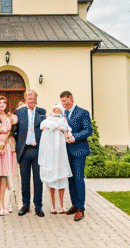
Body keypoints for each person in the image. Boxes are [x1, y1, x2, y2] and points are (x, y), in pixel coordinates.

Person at [61, 90, 92, 222]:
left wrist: (75, 137)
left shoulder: (83, 112)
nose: (64, 104)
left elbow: (88, 130)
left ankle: (80, 209)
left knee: (78, 178)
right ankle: (74, 204)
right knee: (71, 179)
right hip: (66, 151)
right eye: (62, 102)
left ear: (72, 99)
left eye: (66, 102)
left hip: (79, 150)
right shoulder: (63, 114)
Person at [14, 90, 46, 217]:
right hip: (24, 150)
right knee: (25, 179)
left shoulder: (42, 112)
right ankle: (25, 204)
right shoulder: (19, 112)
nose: (31, 101)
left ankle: (38, 206)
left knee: (38, 180)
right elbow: (15, 131)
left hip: (38, 150)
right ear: (25, 99)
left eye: (33, 98)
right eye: (29, 98)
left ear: (36, 99)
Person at [39, 104, 73, 214]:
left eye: (59, 110)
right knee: (51, 179)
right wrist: (52, 125)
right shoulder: (47, 120)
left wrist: (63, 128)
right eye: (55, 109)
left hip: (61, 153)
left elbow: (67, 129)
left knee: (62, 179)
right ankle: (53, 206)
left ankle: (62, 206)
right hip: (50, 153)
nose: (57, 111)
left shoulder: (63, 120)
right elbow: (42, 126)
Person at [3, 102, 19, 214]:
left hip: (12, 149)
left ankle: (17, 202)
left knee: (13, 176)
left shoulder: (13, 118)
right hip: (2, 149)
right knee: (4, 177)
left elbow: (15, 120)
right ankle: (5, 204)